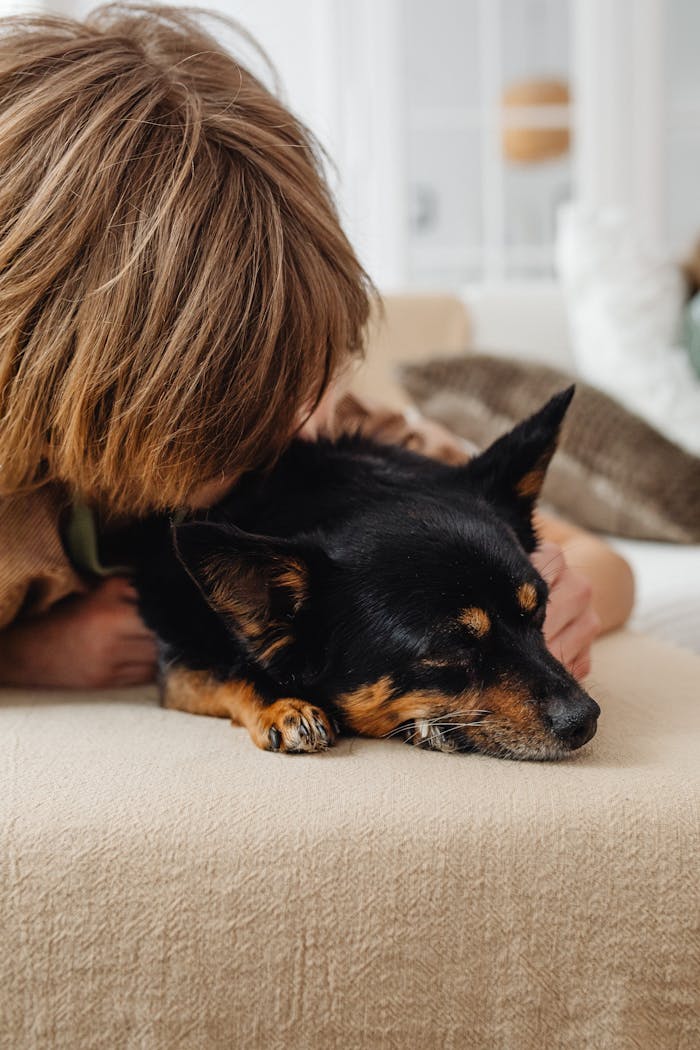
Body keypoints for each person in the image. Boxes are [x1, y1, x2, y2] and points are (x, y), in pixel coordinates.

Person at [0, 4, 633, 692]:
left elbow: (604, 564)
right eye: (247, 415)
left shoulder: (312, 429)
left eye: (310, 377)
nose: (304, 421)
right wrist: (28, 657)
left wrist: (562, 597)